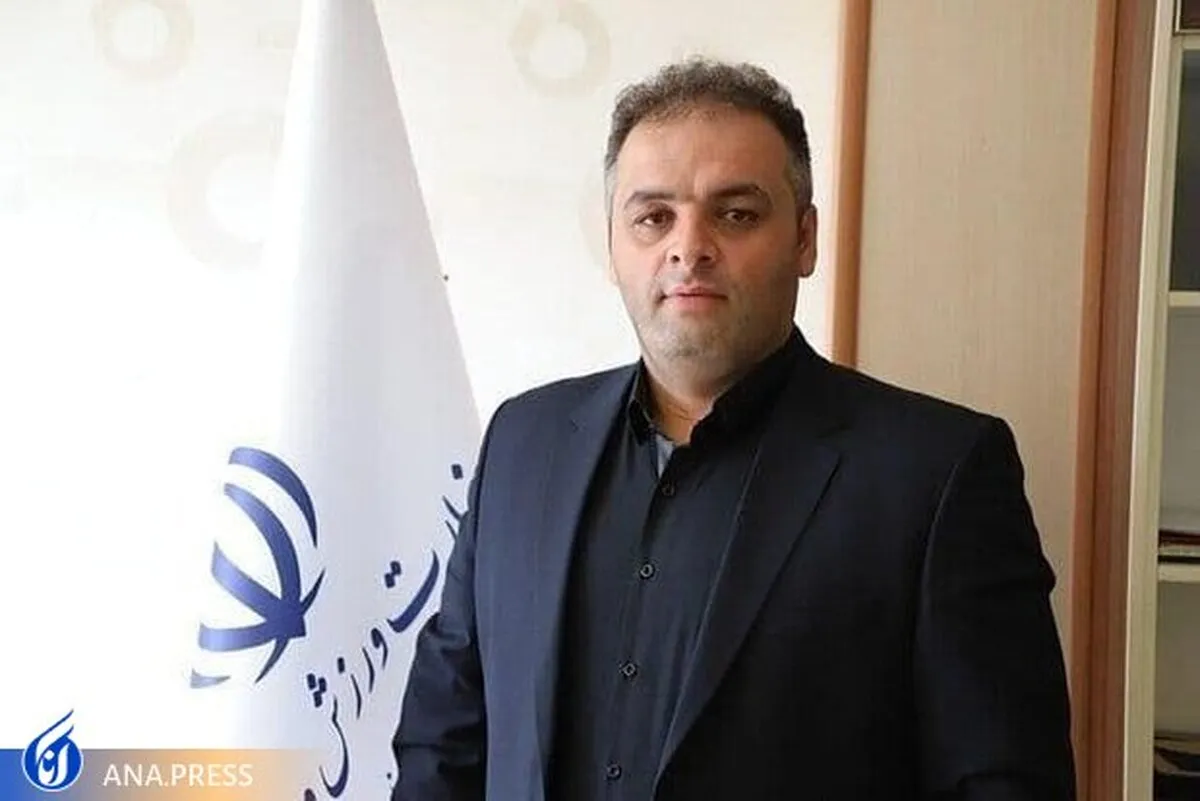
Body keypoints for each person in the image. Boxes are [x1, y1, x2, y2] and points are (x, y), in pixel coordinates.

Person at [391, 58, 1075, 801]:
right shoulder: (522, 443)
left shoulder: (937, 475)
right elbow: (442, 743)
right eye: (654, 217)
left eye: (737, 213)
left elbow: (1004, 782)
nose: (689, 246)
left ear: (804, 239)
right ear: (614, 246)